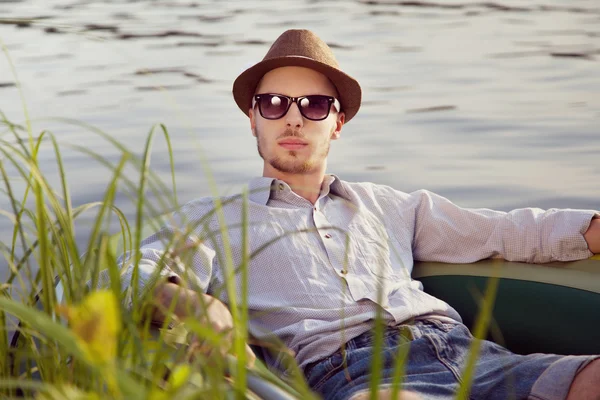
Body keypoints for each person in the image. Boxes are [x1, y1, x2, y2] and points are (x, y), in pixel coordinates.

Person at [121, 29, 600, 400]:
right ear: (253, 119)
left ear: (337, 123)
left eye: (314, 105)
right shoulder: (214, 220)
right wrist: (197, 305)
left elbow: (510, 230)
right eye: (273, 104)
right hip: (354, 373)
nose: (293, 118)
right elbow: (131, 276)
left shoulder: (390, 205)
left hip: (470, 351)